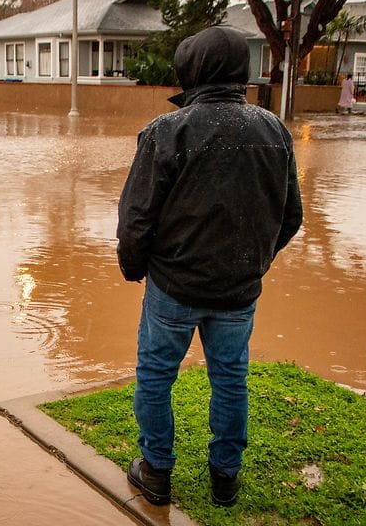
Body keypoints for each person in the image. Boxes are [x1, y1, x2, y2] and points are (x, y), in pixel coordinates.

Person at [117, 26, 303, 508]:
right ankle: (226, 478)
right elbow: (290, 217)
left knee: (156, 377)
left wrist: (135, 268)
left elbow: (136, 217)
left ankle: (155, 471)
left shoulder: (167, 131)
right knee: (230, 378)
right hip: (239, 292)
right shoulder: (274, 131)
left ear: (192, 71)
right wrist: (254, 262)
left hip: (173, 288)